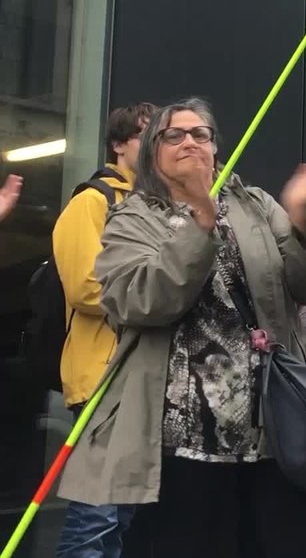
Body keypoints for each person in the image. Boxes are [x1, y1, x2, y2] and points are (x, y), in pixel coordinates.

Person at [57, 98, 306, 556]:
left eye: (200, 133)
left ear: (215, 147)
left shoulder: (255, 204)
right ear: (153, 152)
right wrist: (200, 224)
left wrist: (299, 215)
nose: (189, 141)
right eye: (173, 135)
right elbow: (140, 301)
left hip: (273, 431)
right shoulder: (132, 217)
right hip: (182, 444)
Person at [52, 102, 155, 558]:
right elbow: (85, 287)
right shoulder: (92, 201)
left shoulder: (156, 206)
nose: (155, 147)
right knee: (96, 520)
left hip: (141, 382)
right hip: (101, 379)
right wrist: (158, 296)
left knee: (120, 521)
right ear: (118, 145)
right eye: (146, 136)